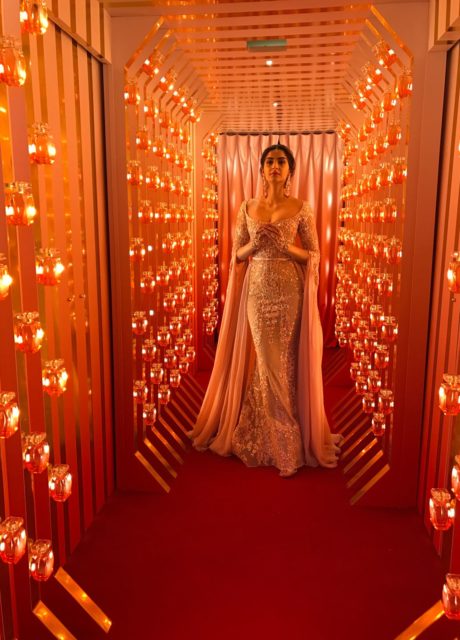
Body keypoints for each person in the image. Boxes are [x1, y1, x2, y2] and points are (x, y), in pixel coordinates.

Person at [189, 144, 342, 476]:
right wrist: (256, 245)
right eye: (270, 161)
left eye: (281, 161)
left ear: (290, 171)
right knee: (266, 358)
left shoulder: (302, 208)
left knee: (283, 361)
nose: (275, 166)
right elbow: (236, 255)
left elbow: (314, 255)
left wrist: (286, 247)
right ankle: (270, 438)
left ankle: (284, 442)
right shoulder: (247, 207)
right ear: (261, 169)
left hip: (289, 292)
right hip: (257, 291)